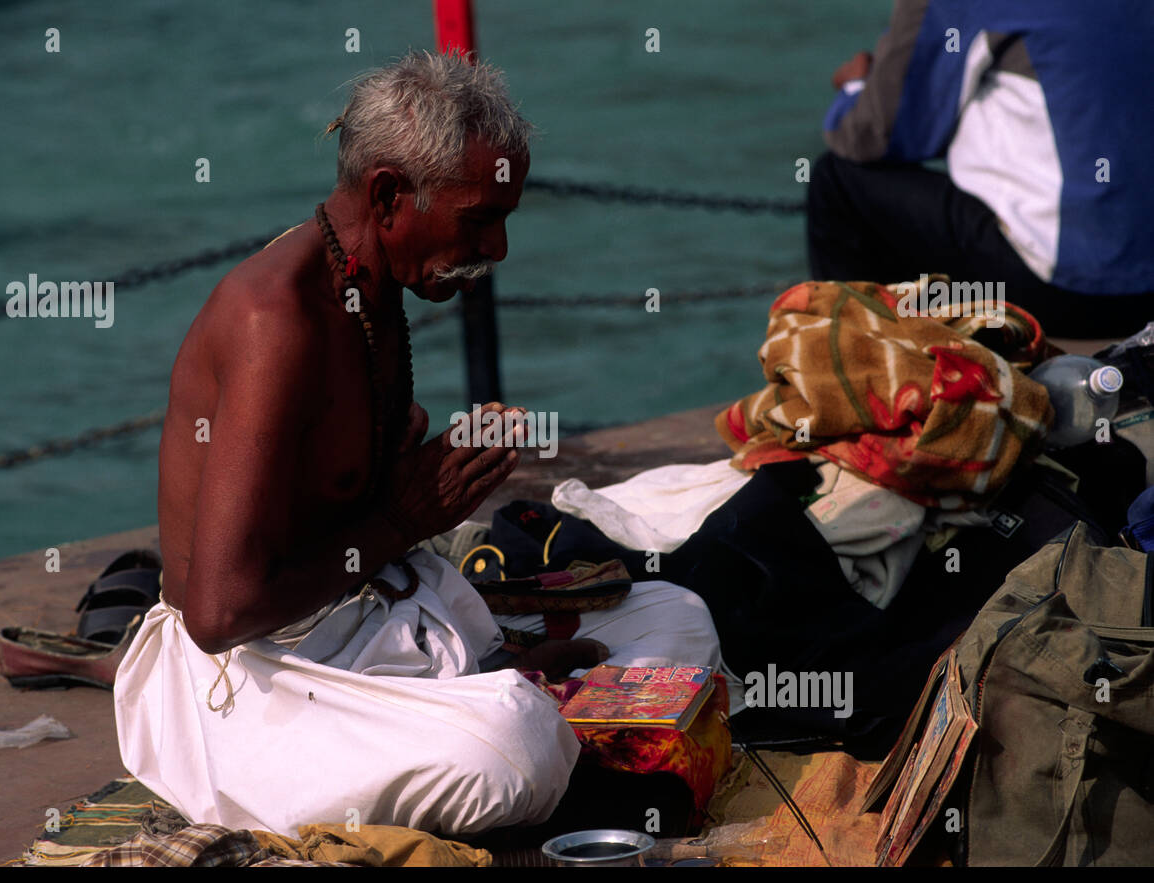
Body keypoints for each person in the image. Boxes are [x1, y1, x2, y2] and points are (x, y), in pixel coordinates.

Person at [113, 51, 721, 839]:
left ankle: (490, 694)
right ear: (389, 195)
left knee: (678, 617)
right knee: (512, 743)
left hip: (376, 626)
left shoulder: (373, 285)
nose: (497, 248)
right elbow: (220, 613)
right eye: (478, 219)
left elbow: (338, 511)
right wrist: (402, 518)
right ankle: (520, 730)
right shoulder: (277, 321)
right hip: (251, 683)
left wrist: (407, 493)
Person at [807, 0, 1154, 339]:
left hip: (1051, 294)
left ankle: (859, 364)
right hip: (1144, 296)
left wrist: (855, 86)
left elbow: (873, 136)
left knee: (837, 181)